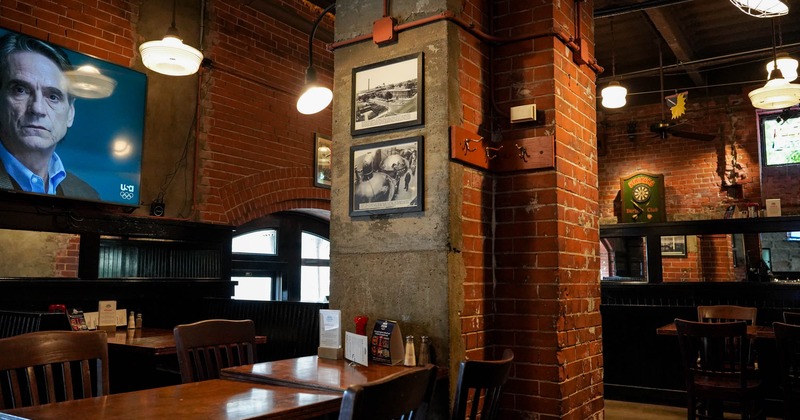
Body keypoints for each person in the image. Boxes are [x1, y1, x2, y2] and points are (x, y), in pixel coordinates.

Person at [0, 32, 98, 199]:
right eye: (20, 90)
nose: (37, 108)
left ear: (70, 113)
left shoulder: (87, 195)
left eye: (53, 96)